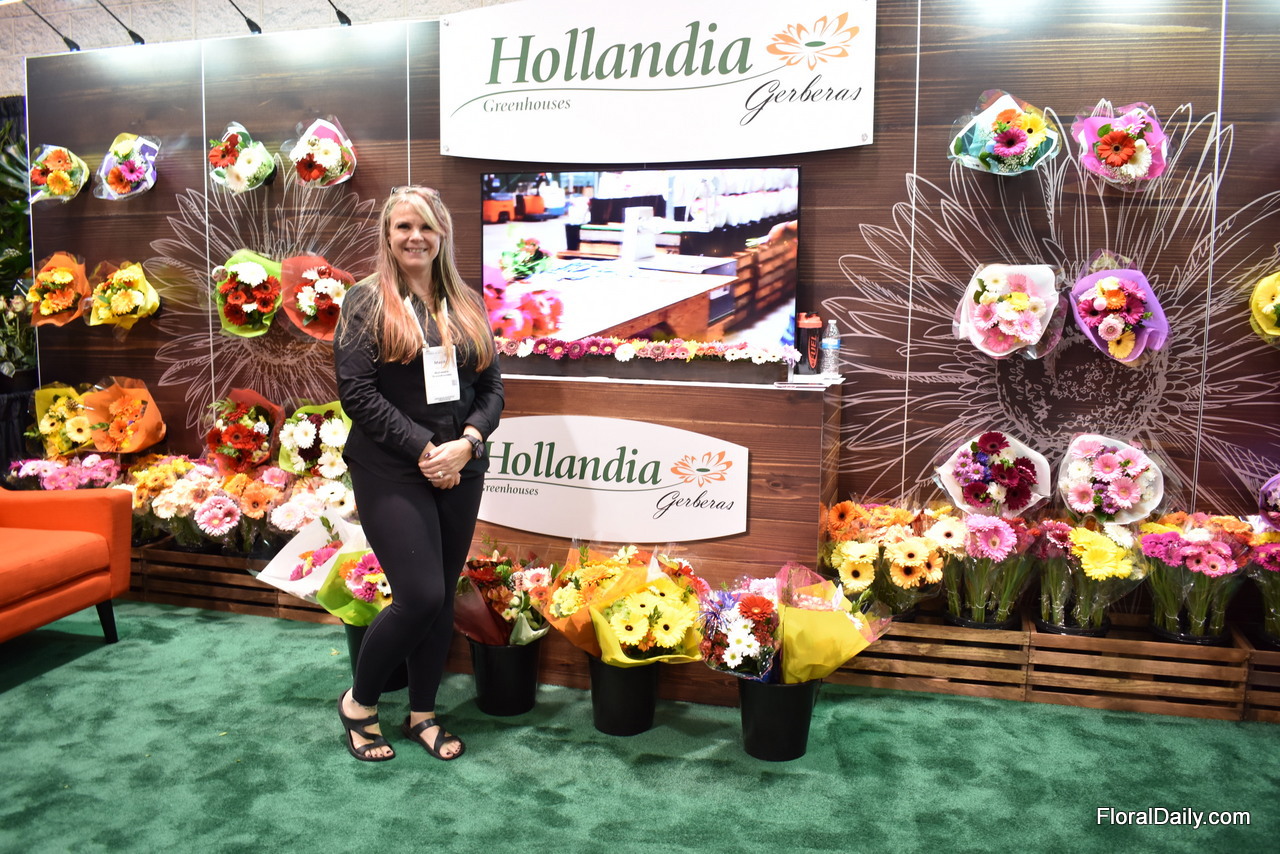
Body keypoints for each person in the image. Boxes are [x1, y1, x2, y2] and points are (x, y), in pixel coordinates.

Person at [333, 186, 503, 761]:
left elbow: (492, 388)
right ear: (388, 234)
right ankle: (359, 703)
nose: (415, 237)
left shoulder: (467, 301)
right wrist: (427, 451)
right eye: (404, 226)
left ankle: (422, 714)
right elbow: (357, 393)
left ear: (442, 233)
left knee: (442, 594)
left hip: (461, 465)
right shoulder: (365, 301)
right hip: (391, 469)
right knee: (420, 596)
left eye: (426, 226)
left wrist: (467, 444)